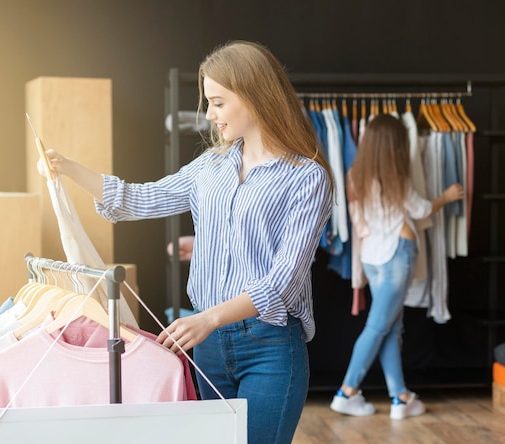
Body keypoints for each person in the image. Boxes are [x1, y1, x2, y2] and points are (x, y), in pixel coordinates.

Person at [38, 40, 334, 443]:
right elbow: (137, 198)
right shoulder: (211, 165)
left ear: (254, 96)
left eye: (218, 102)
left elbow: (282, 283)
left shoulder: (307, 178)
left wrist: (208, 318)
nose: (209, 115)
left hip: (270, 347)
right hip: (209, 346)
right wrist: (68, 168)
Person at [330, 113, 464, 420]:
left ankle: (400, 397)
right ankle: (346, 392)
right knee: (379, 327)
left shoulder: (354, 177)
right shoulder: (396, 179)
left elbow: (358, 221)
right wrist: (446, 196)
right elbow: (422, 209)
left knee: (389, 327)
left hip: (372, 258)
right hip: (397, 255)